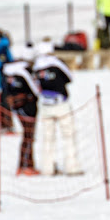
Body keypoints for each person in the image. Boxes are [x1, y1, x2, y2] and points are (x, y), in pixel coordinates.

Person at [33, 41, 82, 176]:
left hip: (45, 105)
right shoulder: (56, 63)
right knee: (68, 135)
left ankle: (47, 168)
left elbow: (35, 84)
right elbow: (70, 77)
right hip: (61, 104)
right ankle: (71, 167)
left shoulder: (36, 66)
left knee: (48, 138)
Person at [2, 60, 40, 175]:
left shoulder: (8, 74)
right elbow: (36, 90)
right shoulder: (23, 73)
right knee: (28, 136)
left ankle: (24, 164)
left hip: (16, 107)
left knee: (26, 135)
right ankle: (26, 165)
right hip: (28, 107)